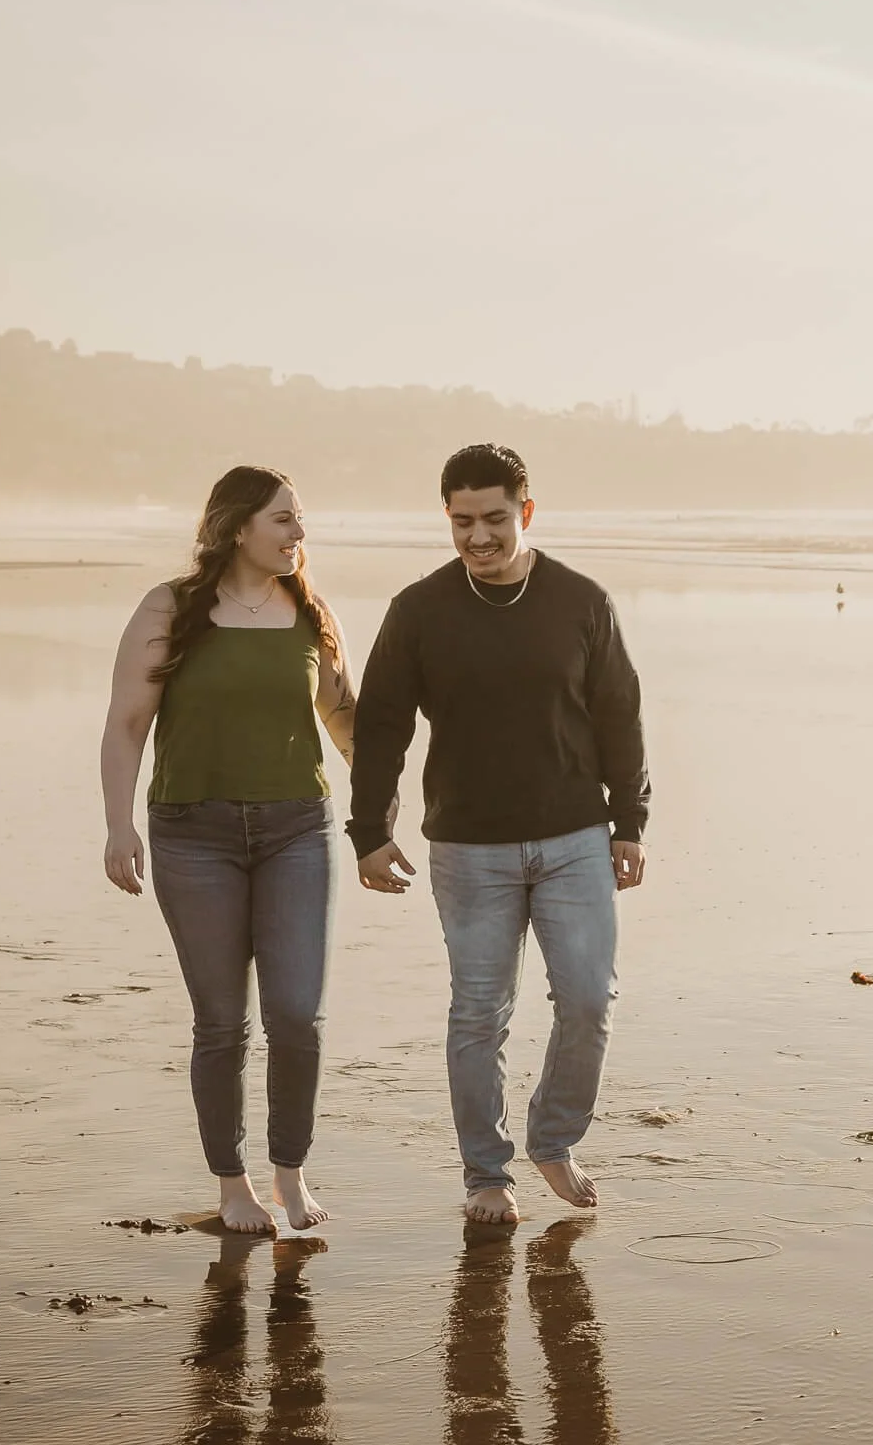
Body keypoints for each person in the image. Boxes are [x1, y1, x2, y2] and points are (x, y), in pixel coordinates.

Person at [348, 443, 649, 1224]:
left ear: (527, 511)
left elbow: (620, 715)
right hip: (469, 846)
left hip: (575, 836)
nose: (477, 537)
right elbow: (381, 724)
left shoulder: (581, 600)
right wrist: (369, 831)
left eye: (493, 519)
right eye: (460, 522)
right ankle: (487, 1172)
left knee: (587, 998)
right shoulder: (420, 610)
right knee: (479, 1010)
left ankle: (553, 1138)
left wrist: (631, 822)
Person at [100, 466, 358, 1235]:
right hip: (193, 832)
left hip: (296, 830)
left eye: (300, 520)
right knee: (221, 1022)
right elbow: (125, 725)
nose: (298, 535)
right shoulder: (171, 607)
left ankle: (291, 1171)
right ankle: (233, 1185)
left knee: (296, 1016)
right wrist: (120, 825)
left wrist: (384, 820)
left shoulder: (311, 611)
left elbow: (349, 725)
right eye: (284, 520)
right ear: (239, 525)